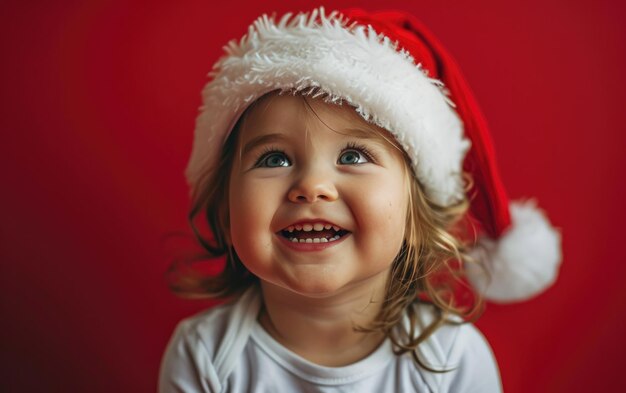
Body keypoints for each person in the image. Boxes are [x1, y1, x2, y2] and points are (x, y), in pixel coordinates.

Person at [159, 7, 562, 392]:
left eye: (353, 156)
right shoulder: (204, 356)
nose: (313, 185)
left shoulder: (453, 359)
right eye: (274, 158)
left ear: (415, 215)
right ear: (227, 212)